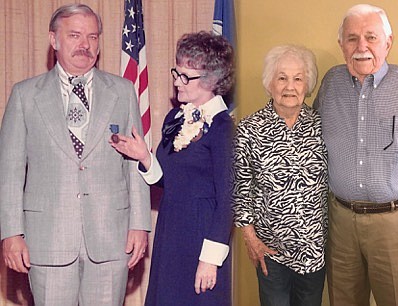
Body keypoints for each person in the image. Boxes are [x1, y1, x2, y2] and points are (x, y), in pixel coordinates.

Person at [0, 4, 151, 306]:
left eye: (92, 37)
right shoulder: (25, 95)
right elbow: (10, 171)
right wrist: (11, 233)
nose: (85, 45)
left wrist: (140, 224)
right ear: (53, 40)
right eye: (75, 35)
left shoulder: (122, 92)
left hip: (112, 239)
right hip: (47, 240)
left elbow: (134, 163)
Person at [313, 4, 398, 306]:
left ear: (388, 42)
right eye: (352, 38)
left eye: (371, 37)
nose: (361, 46)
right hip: (341, 223)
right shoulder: (330, 84)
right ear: (341, 45)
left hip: (397, 228)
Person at [109, 31, 234, 306]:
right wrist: (145, 158)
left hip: (202, 235)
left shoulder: (224, 128)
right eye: (176, 72)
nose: (177, 81)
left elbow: (228, 201)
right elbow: (167, 180)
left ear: (212, 80)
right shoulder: (174, 117)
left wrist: (210, 260)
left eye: (186, 76)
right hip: (171, 229)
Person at [232, 45, 328, 306]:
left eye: (298, 78)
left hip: (313, 252)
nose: (290, 86)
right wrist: (250, 238)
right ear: (269, 83)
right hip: (270, 252)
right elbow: (241, 190)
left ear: (307, 84)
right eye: (282, 77)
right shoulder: (249, 129)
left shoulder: (321, 126)